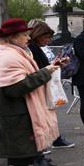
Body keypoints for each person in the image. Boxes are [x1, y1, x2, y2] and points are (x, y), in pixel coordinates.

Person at [0, 18, 61, 166]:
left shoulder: (14, 53)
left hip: (19, 113)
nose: (28, 38)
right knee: (16, 156)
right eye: (24, 35)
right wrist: (45, 73)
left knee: (22, 156)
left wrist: (46, 70)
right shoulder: (8, 57)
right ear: (12, 37)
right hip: (14, 115)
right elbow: (15, 88)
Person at [28, 21, 74, 149]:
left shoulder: (35, 48)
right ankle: (44, 144)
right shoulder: (32, 49)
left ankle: (53, 139)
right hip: (38, 86)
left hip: (41, 83)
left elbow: (43, 67)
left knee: (47, 115)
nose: (48, 40)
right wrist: (54, 66)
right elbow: (39, 68)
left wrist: (56, 64)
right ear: (38, 35)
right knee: (43, 116)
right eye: (46, 37)